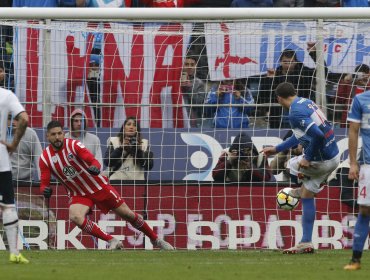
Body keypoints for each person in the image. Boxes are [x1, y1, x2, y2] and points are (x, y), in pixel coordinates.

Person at [40, 120, 173, 250]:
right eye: (53, 134)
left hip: (98, 187)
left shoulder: (74, 145)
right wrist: (45, 189)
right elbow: (44, 182)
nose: (57, 137)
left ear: (64, 133)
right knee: (75, 216)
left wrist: (95, 167)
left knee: (128, 215)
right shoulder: (45, 158)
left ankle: (156, 239)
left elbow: (93, 161)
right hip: (79, 193)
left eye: (59, 133)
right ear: (47, 136)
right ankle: (112, 240)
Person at [262, 82, 339, 254]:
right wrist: (276, 149)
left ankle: (298, 187)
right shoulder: (305, 102)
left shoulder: (295, 113)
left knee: (289, 164)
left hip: (321, 160)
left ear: (279, 99)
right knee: (306, 196)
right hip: (334, 156)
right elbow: (300, 136)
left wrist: (307, 158)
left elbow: (318, 136)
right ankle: (306, 242)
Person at [258, 44, 326, 128]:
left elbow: (323, 72)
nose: (288, 65)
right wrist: (268, 80)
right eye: (285, 62)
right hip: (279, 115)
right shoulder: (275, 75)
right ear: (280, 62)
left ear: (296, 61)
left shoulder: (304, 72)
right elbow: (262, 97)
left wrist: (313, 53)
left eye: (291, 62)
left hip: (301, 113)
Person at [0, 87, 29, 263]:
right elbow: (24, 118)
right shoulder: (6, 95)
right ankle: (14, 252)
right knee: (8, 206)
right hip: (0, 157)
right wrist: (14, 143)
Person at [343, 87, 370, 270]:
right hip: (368, 164)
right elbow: (353, 131)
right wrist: (353, 163)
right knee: (365, 209)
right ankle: (356, 259)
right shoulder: (360, 99)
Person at [104, 117, 153, 181]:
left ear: (137, 129)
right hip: (116, 181)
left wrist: (138, 151)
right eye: (129, 124)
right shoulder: (114, 141)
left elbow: (148, 166)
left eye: (134, 125)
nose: (131, 127)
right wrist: (120, 149)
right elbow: (107, 162)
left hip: (137, 182)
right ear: (124, 128)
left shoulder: (144, 143)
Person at [8, 114, 42, 184]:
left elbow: (39, 159)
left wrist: (42, 182)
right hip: (6, 181)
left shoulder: (31, 134)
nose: (13, 121)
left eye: (16, 119)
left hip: (27, 182)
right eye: (9, 118)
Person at [180, 53, 206, 128]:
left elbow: (199, 103)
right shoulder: (174, 81)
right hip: (175, 117)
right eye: (186, 64)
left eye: (192, 65)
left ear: (195, 66)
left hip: (191, 121)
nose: (189, 67)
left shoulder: (199, 83)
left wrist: (189, 89)